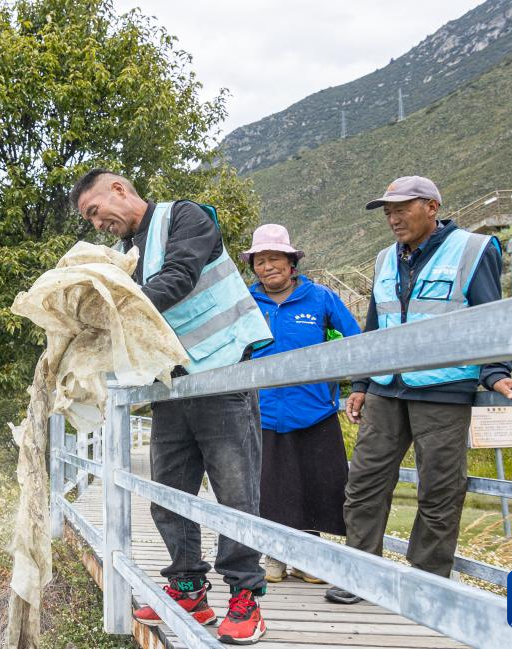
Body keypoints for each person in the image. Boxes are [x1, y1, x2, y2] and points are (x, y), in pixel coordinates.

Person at [70, 169, 274, 645]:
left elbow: (179, 277)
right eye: (89, 220)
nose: (97, 224)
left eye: (95, 211)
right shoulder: (123, 254)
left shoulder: (186, 218)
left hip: (222, 374)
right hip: (172, 383)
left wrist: (114, 312)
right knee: (167, 492)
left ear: (119, 189)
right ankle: (188, 588)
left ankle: (245, 596)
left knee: (235, 493)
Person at [325, 176, 512, 605]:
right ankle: (360, 573)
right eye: (388, 212)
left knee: (439, 489)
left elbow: (492, 317)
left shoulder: (472, 249)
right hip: (386, 390)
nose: (393, 219)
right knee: (363, 483)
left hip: (443, 389)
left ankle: (427, 584)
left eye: (401, 209)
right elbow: (375, 326)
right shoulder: (384, 259)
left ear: (432, 207)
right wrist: (362, 383)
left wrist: (495, 372)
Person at [242, 224, 361, 584]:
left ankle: (310, 557)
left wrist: (359, 385)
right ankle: (275, 555)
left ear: (291, 262)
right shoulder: (246, 303)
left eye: (274, 258)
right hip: (262, 413)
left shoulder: (321, 298)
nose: (267, 267)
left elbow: (355, 341)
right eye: (260, 261)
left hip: (314, 410)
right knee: (271, 488)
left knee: (316, 485)